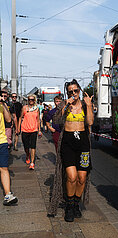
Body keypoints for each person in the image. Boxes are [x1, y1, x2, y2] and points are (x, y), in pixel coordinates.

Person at [48, 79, 94, 222]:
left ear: (79, 90)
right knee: (72, 176)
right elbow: (56, 120)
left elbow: (90, 122)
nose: (73, 94)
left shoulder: (85, 105)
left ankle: (75, 204)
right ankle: (68, 205)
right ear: (67, 93)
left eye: (76, 91)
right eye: (70, 92)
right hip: (68, 143)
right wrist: (65, 106)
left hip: (83, 145)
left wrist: (89, 105)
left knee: (82, 178)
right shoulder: (64, 105)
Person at [0, 92, 18, 205]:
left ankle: (8, 195)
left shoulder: (2, 106)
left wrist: (4, 104)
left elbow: (8, 120)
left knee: (4, 168)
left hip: (1, 141)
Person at [18, 94, 41, 170]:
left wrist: (39, 130)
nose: (31, 101)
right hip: (25, 129)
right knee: (26, 146)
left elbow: (38, 120)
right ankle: (27, 155)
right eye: (29, 99)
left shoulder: (36, 109)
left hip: (34, 130)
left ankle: (32, 163)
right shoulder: (24, 108)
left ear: (34, 100)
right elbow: (20, 117)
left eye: (32, 99)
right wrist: (18, 128)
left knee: (33, 146)